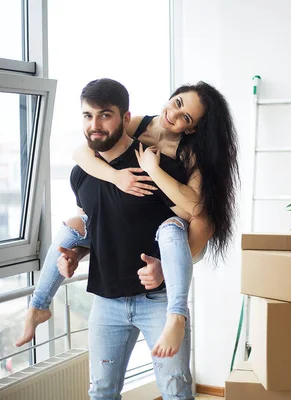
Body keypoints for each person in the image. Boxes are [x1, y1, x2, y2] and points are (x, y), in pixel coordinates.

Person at [15, 80, 238, 360]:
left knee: (184, 225)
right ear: (173, 97)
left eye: (186, 118)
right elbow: (81, 152)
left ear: (191, 128)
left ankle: (176, 314)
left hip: (184, 238)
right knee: (74, 224)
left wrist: (152, 170)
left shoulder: (188, 152)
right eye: (177, 103)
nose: (174, 114)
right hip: (142, 226)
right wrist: (116, 177)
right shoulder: (137, 125)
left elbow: (197, 211)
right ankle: (38, 305)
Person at [60, 78, 196, 398]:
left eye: (105, 115)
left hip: (158, 300)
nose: (95, 125)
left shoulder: (156, 165)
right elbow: (99, 227)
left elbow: (185, 222)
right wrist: (76, 253)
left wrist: (164, 264)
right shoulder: (81, 173)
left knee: (176, 390)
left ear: (125, 118)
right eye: (87, 116)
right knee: (102, 392)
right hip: (106, 300)